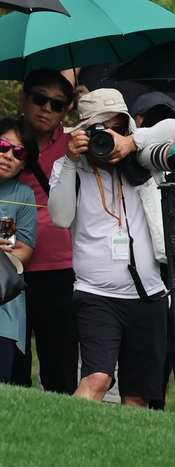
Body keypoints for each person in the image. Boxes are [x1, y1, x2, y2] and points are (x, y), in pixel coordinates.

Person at [48, 89, 175, 407]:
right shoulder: (71, 167)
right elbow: (60, 217)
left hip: (149, 294)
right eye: (102, 128)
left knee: (137, 395)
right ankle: (64, 442)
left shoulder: (143, 159)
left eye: (118, 127)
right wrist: (72, 160)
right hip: (96, 294)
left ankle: (125, 456)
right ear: (85, 132)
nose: (111, 137)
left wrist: (133, 141)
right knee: (97, 379)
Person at [11, 69, 79, 394]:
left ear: (67, 110)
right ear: (23, 98)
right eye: (40, 99)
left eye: (57, 104)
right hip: (9, 267)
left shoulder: (75, 147)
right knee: (11, 364)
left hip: (60, 270)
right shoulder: (5, 141)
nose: (46, 109)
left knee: (61, 368)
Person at [0, 118, 38, 383]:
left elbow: (18, 250)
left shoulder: (21, 195)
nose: (8, 155)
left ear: (24, 162)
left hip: (3, 304)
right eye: (3, 146)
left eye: (19, 152)